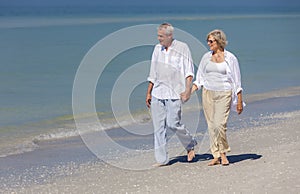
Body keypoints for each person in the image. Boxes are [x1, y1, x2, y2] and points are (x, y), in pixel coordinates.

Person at [146, 23, 197, 166]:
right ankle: (162, 160)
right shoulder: (157, 49)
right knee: (158, 127)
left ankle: (190, 144)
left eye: (161, 36)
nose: (158, 39)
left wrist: (187, 91)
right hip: (158, 92)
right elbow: (152, 73)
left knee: (173, 123)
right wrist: (149, 92)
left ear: (170, 36)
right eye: (158, 36)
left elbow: (189, 71)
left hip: (175, 93)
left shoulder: (182, 47)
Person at [192, 29, 244, 166]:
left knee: (219, 124)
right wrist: (189, 92)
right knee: (211, 125)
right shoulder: (206, 57)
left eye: (211, 41)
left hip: (224, 93)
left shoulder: (230, 58)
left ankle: (223, 153)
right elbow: (200, 78)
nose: (208, 44)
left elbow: (237, 81)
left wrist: (239, 101)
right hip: (208, 93)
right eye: (207, 41)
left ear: (219, 41)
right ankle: (216, 155)